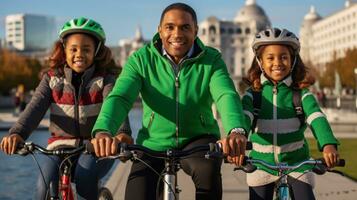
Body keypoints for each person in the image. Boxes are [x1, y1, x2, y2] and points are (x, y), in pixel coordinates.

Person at [91, 3, 248, 200]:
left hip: (199, 139)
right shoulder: (141, 59)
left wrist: (236, 130)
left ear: (196, 31)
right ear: (159, 30)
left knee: (208, 177)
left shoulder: (212, 59)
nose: (177, 34)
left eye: (185, 27)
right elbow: (121, 97)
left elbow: (226, 95)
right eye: (170, 27)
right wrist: (104, 130)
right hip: (153, 142)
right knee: (136, 193)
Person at [0, 17, 133, 200]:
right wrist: (17, 133)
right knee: (44, 187)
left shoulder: (106, 80)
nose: (79, 54)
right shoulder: (51, 79)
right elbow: (34, 109)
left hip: (95, 147)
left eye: (86, 49)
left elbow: (116, 106)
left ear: (97, 51)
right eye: (73, 49)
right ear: (64, 50)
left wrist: (121, 133)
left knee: (85, 177)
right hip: (59, 147)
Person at [241, 28, 340, 200]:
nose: (277, 62)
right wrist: (238, 141)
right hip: (261, 164)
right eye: (270, 58)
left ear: (293, 60)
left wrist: (328, 145)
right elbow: (243, 119)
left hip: (297, 163)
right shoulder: (253, 95)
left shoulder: (301, 94)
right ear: (260, 62)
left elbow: (317, 118)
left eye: (284, 57)